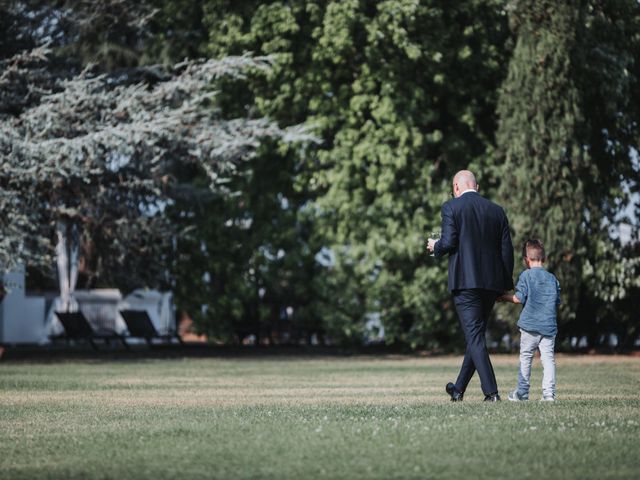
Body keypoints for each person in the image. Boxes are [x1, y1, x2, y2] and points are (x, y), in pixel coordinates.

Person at [427, 170, 514, 402]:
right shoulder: (497, 211)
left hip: (465, 283)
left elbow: (448, 242)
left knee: (474, 337)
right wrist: (504, 286)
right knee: (474, 337)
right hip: (491, 284)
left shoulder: (451, 207)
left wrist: (435, 246)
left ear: (456, 187)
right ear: (477, 185)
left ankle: (491, 393)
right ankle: (458, 390)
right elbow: (507, 250)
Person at [497, 239, 560, 402]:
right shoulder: (552, 279)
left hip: (530, 326)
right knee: (548, 360)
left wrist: (503, 297)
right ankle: (549, 394)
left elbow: (518, 298)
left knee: (526, 358)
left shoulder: (526, 275)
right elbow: (557, 301)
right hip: (548, 327)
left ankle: (522, 393)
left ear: (526, 259)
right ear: (544, 259)